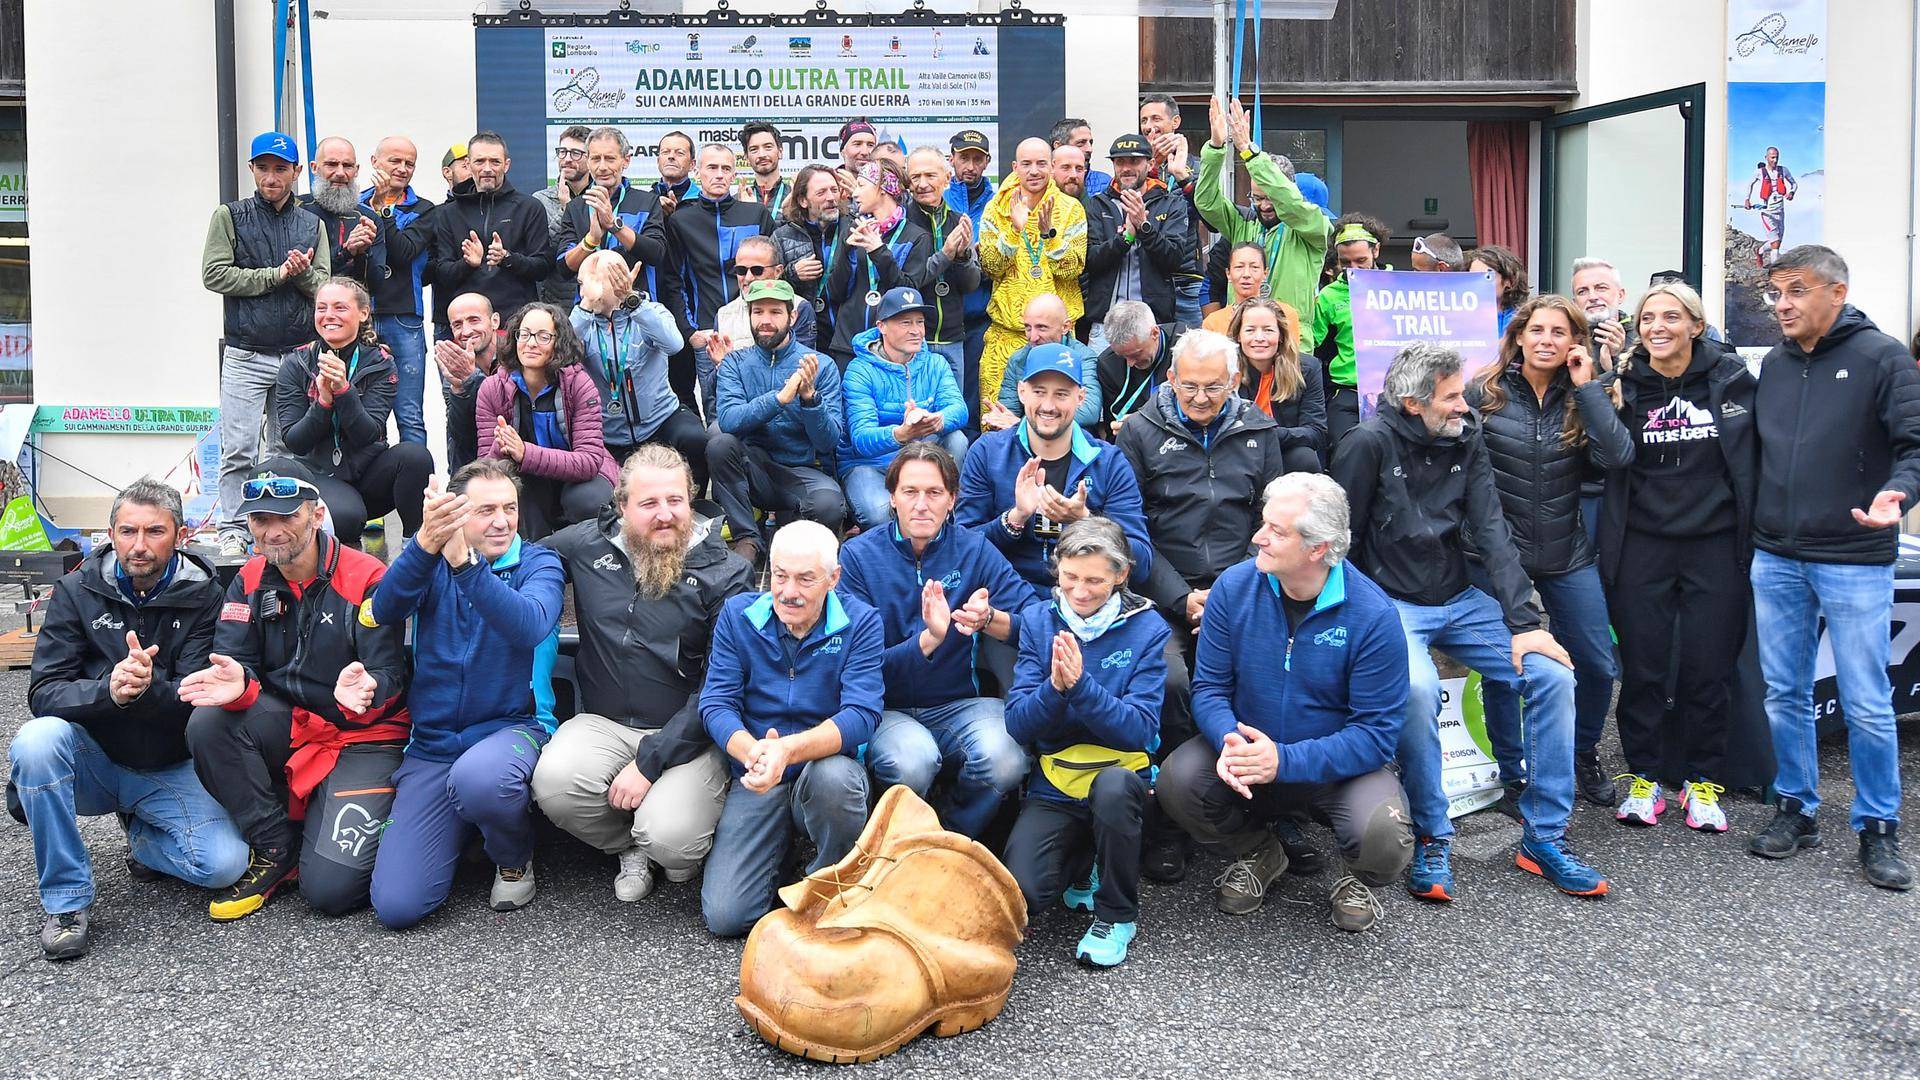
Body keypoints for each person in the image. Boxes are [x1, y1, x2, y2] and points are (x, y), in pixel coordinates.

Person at [1331, 343, 1607, 902]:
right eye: (1451, 396)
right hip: (1390, 605)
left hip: (1460, 597)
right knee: (1414, 688)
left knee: (1551, 674)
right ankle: (1433, 833)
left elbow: (1491, 528)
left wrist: (1527, 622)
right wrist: (1359, 621)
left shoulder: (1467, 434)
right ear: (1413, 403)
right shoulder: (1367, 444)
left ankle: (1544, 835)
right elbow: (1342, 545)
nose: (1466, 404)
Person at [1159, 474, 1414, 932]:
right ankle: (1259, 851)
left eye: (1277, 531)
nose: (1258, 537)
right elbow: (1211, 689)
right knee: (1177, 781)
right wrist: (1229, 740)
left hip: (1333, 770)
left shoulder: (1374, 616)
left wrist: (1284, 760)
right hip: (1248, 751)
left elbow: (1375, 737)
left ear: (1318, 548)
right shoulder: (1234, 589)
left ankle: (1357, 879)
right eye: (1264, 523)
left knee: (1385, 838)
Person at [10, 480, 248, 960]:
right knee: (37, 741)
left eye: (154, 531)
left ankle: (142, 838)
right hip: (93, 759)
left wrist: (142, 690)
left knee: (224, 866)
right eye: (127, 531)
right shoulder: (75, 591)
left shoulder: (207, 596)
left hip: (167, 763)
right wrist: (110, 692)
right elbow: (44, 691)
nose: (139, 545)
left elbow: (196, 695)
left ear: (180, 535)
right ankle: (66, 903)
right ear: (111, 534)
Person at [1747, 245, 1920, 891]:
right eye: (1776, 293)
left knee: (1867, 702)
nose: (1782, 305)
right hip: (1777, 555)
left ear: (1836, 292)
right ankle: (1796, 808)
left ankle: (1878, 827)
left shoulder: (1883, 357)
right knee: (1785, 693)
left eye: (1795, 291)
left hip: (1852, 558)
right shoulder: (1776, 364)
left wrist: (1898, 493)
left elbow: (1915, 446)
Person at [181, 458, 409, 920]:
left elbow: (392, 676)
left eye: (287, 515)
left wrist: (368, 688)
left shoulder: (368, 577)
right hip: (294, 725)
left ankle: (361, 814)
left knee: (330, 892)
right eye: (261, 519)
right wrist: (239, 685)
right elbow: (238, 666)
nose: (273, 531)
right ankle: (274, 848)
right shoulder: (246, 580)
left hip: (362, 735)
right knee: (208, 722)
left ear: (317, 514)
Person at [533, 446, 753, 902]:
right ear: (622, 507)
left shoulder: (728, 574)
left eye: (675, 501)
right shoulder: (586, 545)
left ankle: (666, 841)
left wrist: (650, 763)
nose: (665, 514)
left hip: (692, 733)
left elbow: (720, 689)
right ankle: (630, 847)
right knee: (553, 783)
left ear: (691, 501)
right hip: (605, 722)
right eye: (649, 503)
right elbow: (525, 562)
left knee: (672, 838)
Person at [366, 460, 564, 928]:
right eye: (486, 510)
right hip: (433, 745)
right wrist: (424, 544)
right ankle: (470, 832)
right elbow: (386, 607)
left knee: (480, 780)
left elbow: (529, 625)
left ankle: (513, 857)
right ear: (456, 514)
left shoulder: (540, 561)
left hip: (515, 727)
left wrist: (465, 565)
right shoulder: (432, 558)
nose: (501, 521)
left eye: (510, 508)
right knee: (397, 906)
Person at [1596, 283, 1756, 833]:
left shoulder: (1732, 380)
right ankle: (1643, 776)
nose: (1656, 326)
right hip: (1642, 541)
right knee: (1642, 666)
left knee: (1708, 666)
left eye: (1670, 316)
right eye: (1647, 318)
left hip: (1715, 542)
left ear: (1695, 324)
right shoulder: (1622, 384)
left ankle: (1702, 779)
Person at [1466, 295, 1630, 816]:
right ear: (1519, 336)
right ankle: (1513, 773)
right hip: (1496, 555)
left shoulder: (1586, 396)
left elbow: (1617, 458)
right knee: (1502, 668)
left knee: (1598, 663)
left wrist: (1590, 388)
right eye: (1537, 330)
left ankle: (1581, 755)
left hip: (1566, 550)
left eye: (1559, 333)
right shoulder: (1483, 393)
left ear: (1573, 343)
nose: (1546, 340)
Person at [839, 442, 1038, 836]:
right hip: (885, 708)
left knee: (1007, 757)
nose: (921, 505)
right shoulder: (858, 557)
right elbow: (856, 661)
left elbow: (1035, 618)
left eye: (934, 493)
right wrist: (929, 639)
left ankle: (951, 836)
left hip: (958, 702)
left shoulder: (973, 549)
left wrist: (991, 619)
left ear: (952, 500)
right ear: (891, 498)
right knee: (913, 760)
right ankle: (897, 840)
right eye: (910, 492)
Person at [699, 521, 884, 937]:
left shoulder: (862, 622)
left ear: (833, 579)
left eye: (805, 579)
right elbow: (716, 702)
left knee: (836, 781)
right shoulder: (738, 615)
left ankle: (831, 885)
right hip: (758, 768)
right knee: (727, 916)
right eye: (780, 575)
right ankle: (779, 854)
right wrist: (753, 753)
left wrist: (788, 751)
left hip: (823, 766)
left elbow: (862, 714)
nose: (788, 591)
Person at [1003, 516, 1168, 967]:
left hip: (1120, 777)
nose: (1079, 591)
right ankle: (1085, 859)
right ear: (1056, 570)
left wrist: (1081, 689)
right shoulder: (1039, 620)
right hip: (1057, 779)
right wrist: (1053, 690)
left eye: (1095, 580)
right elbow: (1018, 724)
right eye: (1070, 577)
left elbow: (1139, 729)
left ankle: (1117, 914)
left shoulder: (1148, 629)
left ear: (1120, 575)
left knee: (1112, 791)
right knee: (1025, 893)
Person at [203, 131, 331, 557]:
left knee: (283, 449)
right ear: (252, 169)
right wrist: (274, 275)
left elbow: (326, 287)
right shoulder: (230, 216)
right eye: (264, 168)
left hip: (298, 355)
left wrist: (299, 273)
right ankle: (233, 527)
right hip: (245, 352)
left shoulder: (312, 224)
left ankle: (278, 531)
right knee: (237, 448)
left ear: (296, 172)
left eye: (281, 169)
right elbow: (214, 274)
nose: (271, 177)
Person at [1118, 328, 1291, 640]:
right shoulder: (1138, 432)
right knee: (1170, 680)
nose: (1199, 398)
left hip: (1244, 584)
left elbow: (1271, 521)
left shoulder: (1259, 430)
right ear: (1171, 378)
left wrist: (1228, 591)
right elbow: (1128, 528)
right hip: (1161, 589)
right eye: (1189, 386)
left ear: (1234, 382)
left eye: (1213, 387)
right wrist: (1178, 597)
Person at [957, 343, 1154, 594]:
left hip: (1087, 600)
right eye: (1039, 392)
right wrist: (1014, 519)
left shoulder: (1109, 462)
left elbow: (1141, 562)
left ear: (1081, 398)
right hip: (1006, 596)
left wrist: (1086, 523)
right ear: (1021, 392)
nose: (1048, 406)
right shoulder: (987, 452)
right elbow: (962, 548)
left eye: (1061, 394)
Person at [273, 278, 434, 548]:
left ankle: (415, 547)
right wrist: (323, 403)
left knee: (415, 457)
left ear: (363, 313)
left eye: (340, 307)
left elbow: (367, 434)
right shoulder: (295, 364)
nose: (329, 316)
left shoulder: (380, 363)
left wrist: (345, 391)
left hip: (368, 473)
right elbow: (295, 441)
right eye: (321, 308)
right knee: (348, 519)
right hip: (320, 475)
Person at [709, 278, 846, 562]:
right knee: (719, 444)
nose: (765, 321)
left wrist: (810, 399)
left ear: (792, 316)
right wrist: (779, 398)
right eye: (758, 312)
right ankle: (747, 538)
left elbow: (829, 439)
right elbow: (730, 419)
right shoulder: (735, 362)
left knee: (829, 506)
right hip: (753, 466)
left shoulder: (821, 365)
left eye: (775, 312)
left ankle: (790, 528)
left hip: (800, 469)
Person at [475, 303, 617, 539]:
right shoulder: (492, 388)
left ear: (558, 343)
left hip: (580, 477)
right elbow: (487, 469)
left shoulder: (578, 384)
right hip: (528, 477)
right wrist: (500, 447)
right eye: (524, 334)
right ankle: (538, 561)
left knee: (588, 500)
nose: (531, 343)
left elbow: (590, 460)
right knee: (517, 493)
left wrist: (525, 453)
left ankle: (586, 560)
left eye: (543, 336)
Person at [1195, 98, 1328, 347]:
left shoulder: (1311, 226)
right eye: (1257, 198)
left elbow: (1290, 202)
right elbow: (1206, 202)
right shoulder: (1244, 223)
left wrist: (1248, 151)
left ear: (1286, 192)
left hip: (1290, 344)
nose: (1264, 205)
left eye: (1271, 198)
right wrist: (1215, 148)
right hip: (1242, 341)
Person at [571, 249, 707, 485]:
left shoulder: (649, 310)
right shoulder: (582, 320)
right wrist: (585, 306)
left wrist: (633, 302)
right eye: (581, 284)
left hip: (660, 420)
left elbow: (674, 344)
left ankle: (695, 507)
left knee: (696, 439)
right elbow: (563, 353)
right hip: (609, 433)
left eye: (592, 283)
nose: (585, 291)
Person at [839, 287, 970, 530]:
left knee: (957, 439)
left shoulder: (936, 362)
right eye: (905, 322)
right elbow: (861, 439)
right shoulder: (859, 370)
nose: (916, 331)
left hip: (923, 458)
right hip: (871, 464)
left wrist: (938, 420)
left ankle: (947, 519)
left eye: (920, 322)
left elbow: (959, 409)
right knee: (879, 515)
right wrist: (901, 434)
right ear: (882, 327)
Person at [666, 144, 776, 416]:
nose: (719, 174)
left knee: (764, 409)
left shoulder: (756, 214)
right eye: (711, 167)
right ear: (697, 171)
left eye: (726, 168)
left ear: (734, 172)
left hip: (756, 331)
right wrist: (689, 332)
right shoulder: (681, 220)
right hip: (709, 334)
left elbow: (774, 273)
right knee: (717, 415)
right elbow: (673, 282)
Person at [978, 137, 1089, 408]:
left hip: (1055, 340)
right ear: (1015, 167)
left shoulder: (1070, 208)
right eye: (1026, 164)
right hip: (1006, 334)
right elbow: (991, 266)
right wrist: (1014, 231)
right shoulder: (996, 209)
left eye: (1041, 163)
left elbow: (1074, 267)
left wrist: (1048, 236)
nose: (1034, 171)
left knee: (1054, 415)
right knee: (998, 421)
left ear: (1051, 167)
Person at [429, 132, 553, 325]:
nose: (487, 169)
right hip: (468, 325)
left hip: (516, 322)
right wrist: (467, 263)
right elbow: (442, 274)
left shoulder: (529, 207)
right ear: (469, 165)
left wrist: (508, 259)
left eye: (495, 162)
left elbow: (543, 267)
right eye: (480, 162)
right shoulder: (448, 213)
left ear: (507, 164)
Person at [360, 135, 436, 447]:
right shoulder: (354, 202)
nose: (402, 168)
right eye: (395, 161)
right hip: (359, 320)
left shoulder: (423, 209)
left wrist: (381, 212)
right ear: (374, 162)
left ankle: (416, 494)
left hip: (404, 318)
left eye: (410, 163)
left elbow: (404, 251)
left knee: (409, 415)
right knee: (365, 415)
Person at [1084, 134, 1191, 347]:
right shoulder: (1097, 204)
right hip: (1105, 324)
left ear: (1150, 163)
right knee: (1103, 380)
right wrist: (1126, 238)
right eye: (1120, 162)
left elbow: (1174, 259)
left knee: (1153, 381)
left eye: (1134, 161)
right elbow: (1089, 260)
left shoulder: (1171, 203)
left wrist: (1144, 226)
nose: (1126, 168)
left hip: (1153, 322)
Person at [824, 159, 934, 366]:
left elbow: (908, 293)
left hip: (892, 350)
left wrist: (879, 252)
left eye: (862, 185)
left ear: (883, 189)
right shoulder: (852, 229)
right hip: (848, 345)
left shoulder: (916, 237)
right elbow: (835, 293)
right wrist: (846, 251)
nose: (855, 193)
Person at [555, 127, 672, 307]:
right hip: (590, 312)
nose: (602, 167)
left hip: (636, 309)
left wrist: (614, 225)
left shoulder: (647, 202)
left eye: (610, 158)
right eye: (595, 159)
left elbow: (656, 253)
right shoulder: (576, 207)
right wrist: (591, 240)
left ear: (625, 161)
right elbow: (564, 268)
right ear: (588, 160)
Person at [904, 146, 981, 392]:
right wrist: (946, 254)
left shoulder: (959, 221)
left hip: (952, 337)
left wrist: (964, 256)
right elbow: (908, 281)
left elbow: (971, 284)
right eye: (915, 177)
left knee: (952, 415)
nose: (922, 183)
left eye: (930, 175)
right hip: (914, 339)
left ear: (947, 178)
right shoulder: (902, 221)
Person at [1312, 213, 1393, 447]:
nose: (1352, 269)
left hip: (1394, 392)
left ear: (1376, 251)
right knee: (1344, 453)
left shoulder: (1399, 284)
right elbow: (1312, 344)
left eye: (1361, 260)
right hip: (1347, 392)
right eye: (1345, 262)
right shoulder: (1328, 296)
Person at [1229, 298, 1326, 471]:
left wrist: (1267, 434)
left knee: (1305, 458)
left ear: (1280, 335)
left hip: (1283, 449)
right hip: (1237, 451)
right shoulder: (1224, 368)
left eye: (1268, 330)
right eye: (1250, 330)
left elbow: (1316, 431)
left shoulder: (1308, 368)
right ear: (1238, 335)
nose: (1259, 338)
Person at [987, 293, 1104, 433]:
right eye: (1028, 328)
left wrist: (1025, 424)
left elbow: (1089, 412)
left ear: (1066, 327)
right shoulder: (1018, 360)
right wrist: (999, 419)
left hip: (1073, 438)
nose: (1033, 337)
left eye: (1041, 327)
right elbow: (1008, 412)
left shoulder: (1083, 357)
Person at [1137, 95, 1206, 327]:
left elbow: (1212, 219)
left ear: (1175, 121)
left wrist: (1183, 177)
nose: (1149, 126)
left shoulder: (1197, 166)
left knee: (1193, 355)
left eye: (1156, 118)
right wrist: (1151, 167)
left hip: (1186, 279)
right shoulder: (1135, 165)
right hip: (1145, 278)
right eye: (1144, 120)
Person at [946, 129, 999, 425]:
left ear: (987, 161)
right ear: (952, 159)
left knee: (975, 396)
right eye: (964, 157)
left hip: (981, 315)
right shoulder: (940, 198)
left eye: (977, 159)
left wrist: (982, 254)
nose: (970, 165)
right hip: (943, 317)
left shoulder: (999, 202)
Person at [300, 137, 385, 292]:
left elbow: (376, 286)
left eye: (347, 166)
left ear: (356, 170)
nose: (340, 173)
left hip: (350, 312)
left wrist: (362, 253)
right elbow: (299, 273)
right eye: (331, 164)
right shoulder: (297, 211)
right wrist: (346, 252)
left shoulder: (369, 219)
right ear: (314, 167)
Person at [434, 291, 500, 471]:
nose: (466, 331)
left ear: (495, 321)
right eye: (457, 324)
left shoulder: (517, 353)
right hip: (475, 455)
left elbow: (507, 412)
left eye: (474, 320)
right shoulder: (455, 365)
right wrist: (458, 388)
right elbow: (461, 433)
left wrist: (471, 380)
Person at [1093, 302, 1179, 439]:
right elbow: (1113, 429)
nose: (1130, 363)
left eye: (1136, 354)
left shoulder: (1186, 348)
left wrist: (1146, 422)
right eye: (1122, 356)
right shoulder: (1108, 364)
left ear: (1155, 333)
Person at [532, 124, 592, 304]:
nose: (567, 159)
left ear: (590, 158)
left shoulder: (602, 197)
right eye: (562, 152)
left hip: (596, 296)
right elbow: (543, 252)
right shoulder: (541, 199)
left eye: (575, 153)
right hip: (557, 301)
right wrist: (566, 211)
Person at [1202, 242, 1301, 343]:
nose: (1246, 274)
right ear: (1228, 274)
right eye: (1239, 267)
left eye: (1254, 267)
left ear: (1265, 274)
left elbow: (1290, 356)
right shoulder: (1213, 322)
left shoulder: (1285, 315)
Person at [424, 142, 472, 340]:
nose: (473, 169)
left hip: (487, 315)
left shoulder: (494, 210)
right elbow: (426, 272)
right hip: (448, 317)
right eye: (464, 164)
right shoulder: (435, 214)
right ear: (447, 172)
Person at [1569, 256, 1632, 369]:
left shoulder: (1643, 339)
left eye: (1601, 288)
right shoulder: (1567, 342)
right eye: (1582, 291)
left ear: (1620, 295)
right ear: (1575, 303)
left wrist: (1616, 360)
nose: (1592, 297)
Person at [1743, 146, 1798, 268]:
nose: (1775, 160)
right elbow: (1749, 185)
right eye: (1772, 157)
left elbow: (1794, 184)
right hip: (1767, 212)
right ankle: (1775, 271)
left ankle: (1760, 251)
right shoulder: (1759, 172)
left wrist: (1791, 192)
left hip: (1780, 211)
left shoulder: (1783, 170)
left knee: (1777, 242)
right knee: (1776, 243)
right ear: (1766, 158)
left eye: (1777, 157)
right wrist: (1747, 199)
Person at [1468, 245, 1530, 334]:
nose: (1477, 283)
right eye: (1472, 277)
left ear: (1509, 281)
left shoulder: (1521, 320)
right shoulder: (1460, 317)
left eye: (1487, 276)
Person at [1050, 117, 1111, 197]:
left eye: (1090, 143)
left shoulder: (1105, 182)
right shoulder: (1041, 184)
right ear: (1058, 146)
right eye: (1081, 143)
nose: (1090, 149)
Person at [736, 121, 790, 210]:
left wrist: (794, 214)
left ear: (780, 152)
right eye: (754, 149)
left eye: (768, 147)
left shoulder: (796, 198)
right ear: (746, 157)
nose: (762, 154)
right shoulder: (738, 201)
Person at [652, 130, 696, 207]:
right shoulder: (646, 201)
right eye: (665, 152)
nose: (671, 156)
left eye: (680, 153)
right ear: (658, 161)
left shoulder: (702, 202)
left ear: (692, 165)